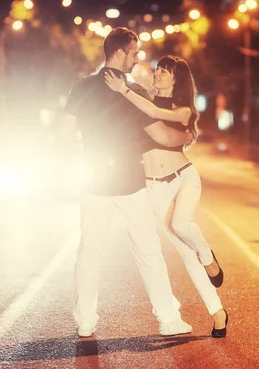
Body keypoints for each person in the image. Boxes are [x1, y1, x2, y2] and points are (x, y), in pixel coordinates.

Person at [62, 28, 194, 338]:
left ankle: (85, 320)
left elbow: (63, 131)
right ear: (120, 53)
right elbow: (160, 135)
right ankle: (168, 319)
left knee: (89, 250)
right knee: (147, 250)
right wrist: (185, 138)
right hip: (130, 182)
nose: (137, 59)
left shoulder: (81, 87)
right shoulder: (133, 91)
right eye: (134, 53)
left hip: (94, 180)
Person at [104, 55, 228, 338]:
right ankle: (218, 312)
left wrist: (123, 90)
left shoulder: (183, 110)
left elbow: (156, 114)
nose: (157, 73)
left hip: (184, 178)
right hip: (155, 187)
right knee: (185, 253)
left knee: (182, 226)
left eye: (164, 71)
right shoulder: (142, 99)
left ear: (177, 79)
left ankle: (209, 257)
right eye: (157, 69)